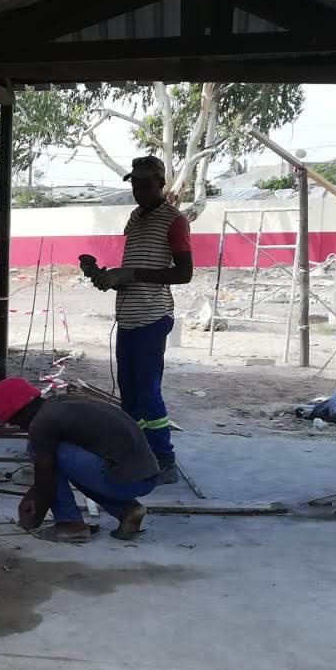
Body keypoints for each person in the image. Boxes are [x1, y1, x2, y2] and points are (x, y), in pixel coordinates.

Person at [80, 154, 193, 482]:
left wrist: (129, 273)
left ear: (161, 183)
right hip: (129, 317)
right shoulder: (136, 219)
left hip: (152, 318)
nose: (139, 191)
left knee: (146, 392)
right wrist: (106, 277)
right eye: (135, 184)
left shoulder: (174, 220)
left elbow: (184, 273)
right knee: (129, 393)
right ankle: (135, 452)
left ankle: (163, 459)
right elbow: (135, 273)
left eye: (146, 184)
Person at [0, 376, 158, 542]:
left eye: (15, 421)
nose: (20, 427)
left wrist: (34, 516)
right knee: (58, 461)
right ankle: (127, 510)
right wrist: (34, 493)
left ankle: (69, 524)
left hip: (125, 479)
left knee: (40, 451)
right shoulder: (59, 404)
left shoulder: (41, 424)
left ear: (22, 410)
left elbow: (46, 478)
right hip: (146, 476)